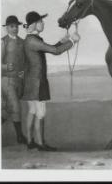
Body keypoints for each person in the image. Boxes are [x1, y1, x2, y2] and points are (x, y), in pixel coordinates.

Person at [22, 11, 80, 151]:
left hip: (30, 82)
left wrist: (62, 41)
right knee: (40, 112)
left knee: (33, 111)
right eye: (41, 21)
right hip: (37, 83)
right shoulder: (33, 41)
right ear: (34, 24)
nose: (43, 23)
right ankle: (41, 144)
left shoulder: (31, 39)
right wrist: (72, 41)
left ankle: (30, 142)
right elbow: (54, 51)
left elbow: (51, 48)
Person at [1, 15, 27, 144]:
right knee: (16, 107)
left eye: (16, 26)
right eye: (12, 26)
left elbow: (25, 61)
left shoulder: (22, 42)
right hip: (6, 80)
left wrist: (24, 72)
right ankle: (20, 137)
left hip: (19, 81)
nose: (15, 29)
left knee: (7, 110)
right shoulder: (3, 42)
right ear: (6, 28)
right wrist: (5, 66)